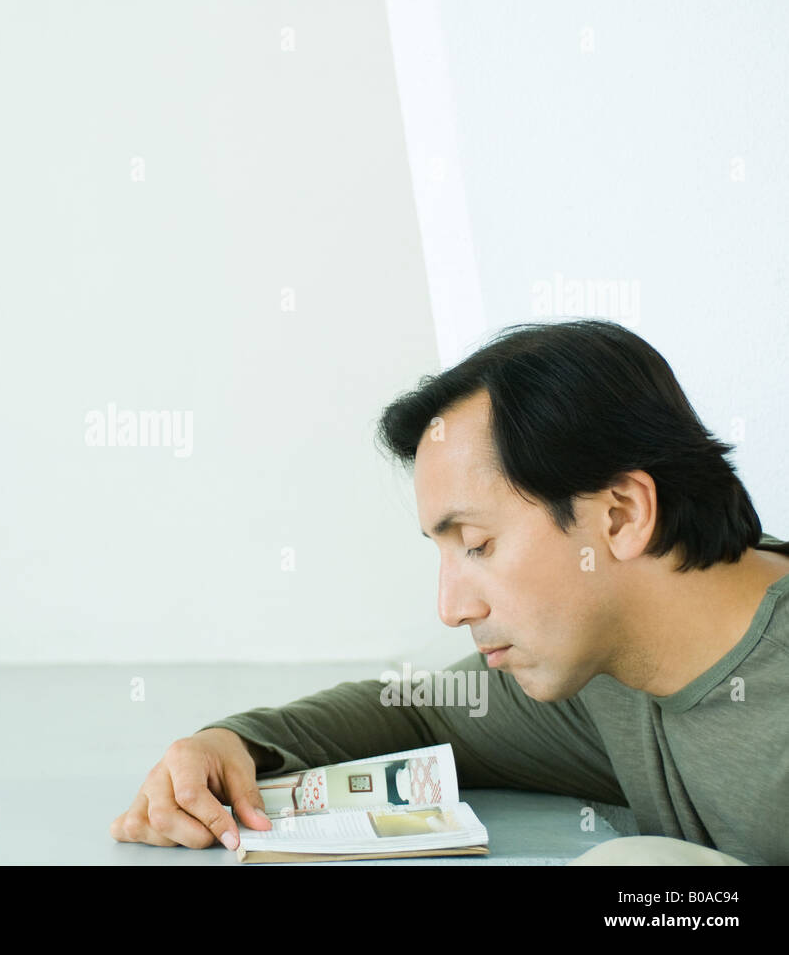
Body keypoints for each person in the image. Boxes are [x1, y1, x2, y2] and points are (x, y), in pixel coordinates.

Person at [109, 319, 789, 865]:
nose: (452, 606)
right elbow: (423, 712)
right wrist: (232, 742)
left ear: (621, 515)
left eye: (478, 544)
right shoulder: (606, 676)